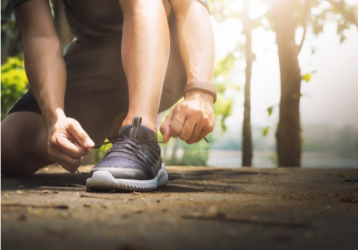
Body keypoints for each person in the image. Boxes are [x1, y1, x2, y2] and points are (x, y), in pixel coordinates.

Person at [0, 0, 216, 192]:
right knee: (8, 147)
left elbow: (190, 5)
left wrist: (200, 92)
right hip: (95, 57)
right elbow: (40, 34)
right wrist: (54, 118)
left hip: (168, 54)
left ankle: (140, 135)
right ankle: (115, 126)